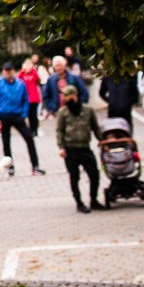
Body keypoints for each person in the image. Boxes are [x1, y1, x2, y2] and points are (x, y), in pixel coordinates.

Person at [0, 62, 45, 175]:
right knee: (6, 142)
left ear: (13, 71)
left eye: (10, 70)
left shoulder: (20, 84)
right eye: (6, 71)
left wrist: (23, 114)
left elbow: (26, 100)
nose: (8, 73)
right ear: (3, 72)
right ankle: (10, 166)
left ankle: (35, 166)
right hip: (4, 116)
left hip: (17, 115)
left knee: (29, 138)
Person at [54, 84, 107, 212]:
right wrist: (61, 147)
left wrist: (103, 141)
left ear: (74, 95)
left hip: (85, 148)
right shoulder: (63, 112)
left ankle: (93, 200)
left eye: (67, 95)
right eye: (64, 96)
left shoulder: (88, 111)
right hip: (70, 149)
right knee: (74, 177)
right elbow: (59, 131)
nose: (65, 98)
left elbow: (95, 128)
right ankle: (79, 202)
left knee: (94, 174)